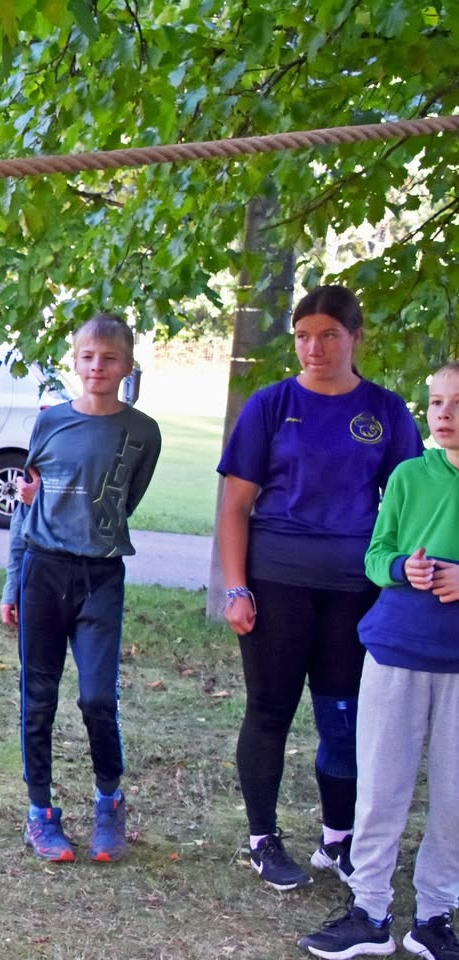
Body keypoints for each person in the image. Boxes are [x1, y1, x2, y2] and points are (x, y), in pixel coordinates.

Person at [216, 285, 424, 891]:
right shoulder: (271, 404)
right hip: (275, 585)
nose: (314, 348)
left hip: (354, 592)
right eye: (304, 336)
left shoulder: (386, 411)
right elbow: (234, 506)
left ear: (356, 337)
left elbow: (406, 507)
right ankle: (263, 839)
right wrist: (236, 589)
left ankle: (338, 840)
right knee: (270, 709)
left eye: (329, 335)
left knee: (344, 716)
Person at [297, 362, 459, 960]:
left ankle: (435, 917)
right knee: (381, 788)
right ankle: (369, 910)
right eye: (436, 402)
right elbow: (376, 554)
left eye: (457, 403)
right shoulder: (411, 475)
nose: (444, 414)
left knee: (455, 799)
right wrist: (401, 568)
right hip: (395, 651)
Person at [0, 314, 162, 863]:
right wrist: (12, 582)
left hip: (101, 578)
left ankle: (109, 802)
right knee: (38, 698)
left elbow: (124, 502)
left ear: (127, 365)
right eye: (88, 357)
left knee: (97, 697)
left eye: (110, 358)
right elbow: (27, 505)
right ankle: (40, 813)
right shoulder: (49, 423)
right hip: (42, 573)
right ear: (75, 360)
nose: (98, 367)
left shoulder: (143, 433)